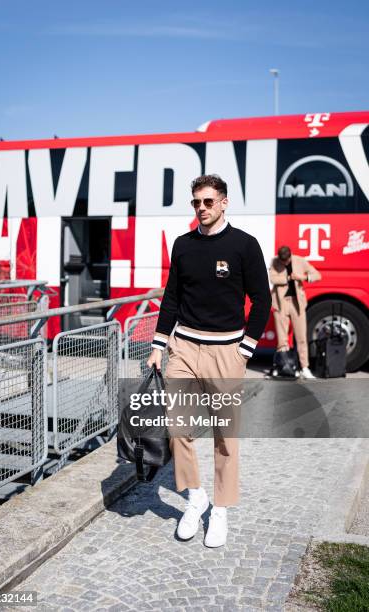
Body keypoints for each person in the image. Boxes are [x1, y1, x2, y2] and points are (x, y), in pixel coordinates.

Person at [147, 174, 271, 547]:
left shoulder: (245, 246)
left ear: (224, 203)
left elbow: (262, 300)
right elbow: (171, 298)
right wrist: (158, 344)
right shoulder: (183, 246)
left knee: (224, 436)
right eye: (196, 203)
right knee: (178, 427)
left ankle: (220, 510)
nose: (201, 208)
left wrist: (245, 349)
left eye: (208, 202)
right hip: (183, 347)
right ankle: (196, 497)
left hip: (226, 350)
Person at [269, 245, 322, 379]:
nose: (284, 263)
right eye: (282, 261)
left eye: (286, 261)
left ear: (290, 256)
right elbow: (273, 278)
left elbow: (317, 275)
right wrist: (287, 278)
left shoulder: (300, 261)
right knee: (282, 339)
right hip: (281, 303)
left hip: (296, 303)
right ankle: (283, 367)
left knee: (301, 337)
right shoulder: (275, 261)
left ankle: (304, 367)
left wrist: (302, 277)